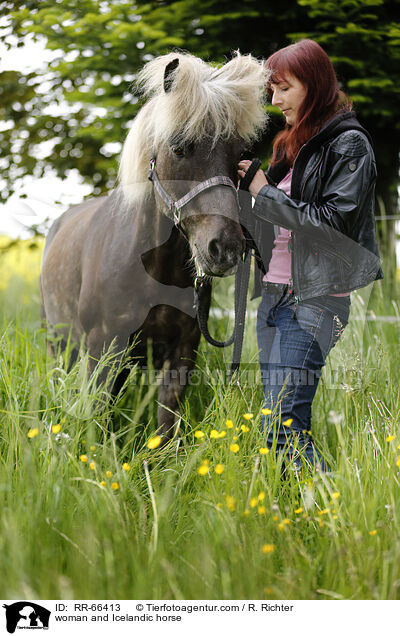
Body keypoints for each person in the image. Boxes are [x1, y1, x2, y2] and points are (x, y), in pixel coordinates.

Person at [238, 39, 382, 472]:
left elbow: (333, 225)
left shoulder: (349, 145)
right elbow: (274, 225)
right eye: (272, 91)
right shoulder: (292, 147)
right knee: (279, 420)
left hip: (314, 301)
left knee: (283, 425)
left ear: (315, 86)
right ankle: (295, 514)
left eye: (284, 88)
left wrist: (263, 193)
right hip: (274, 299)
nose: (275, 100)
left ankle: (334, 515)